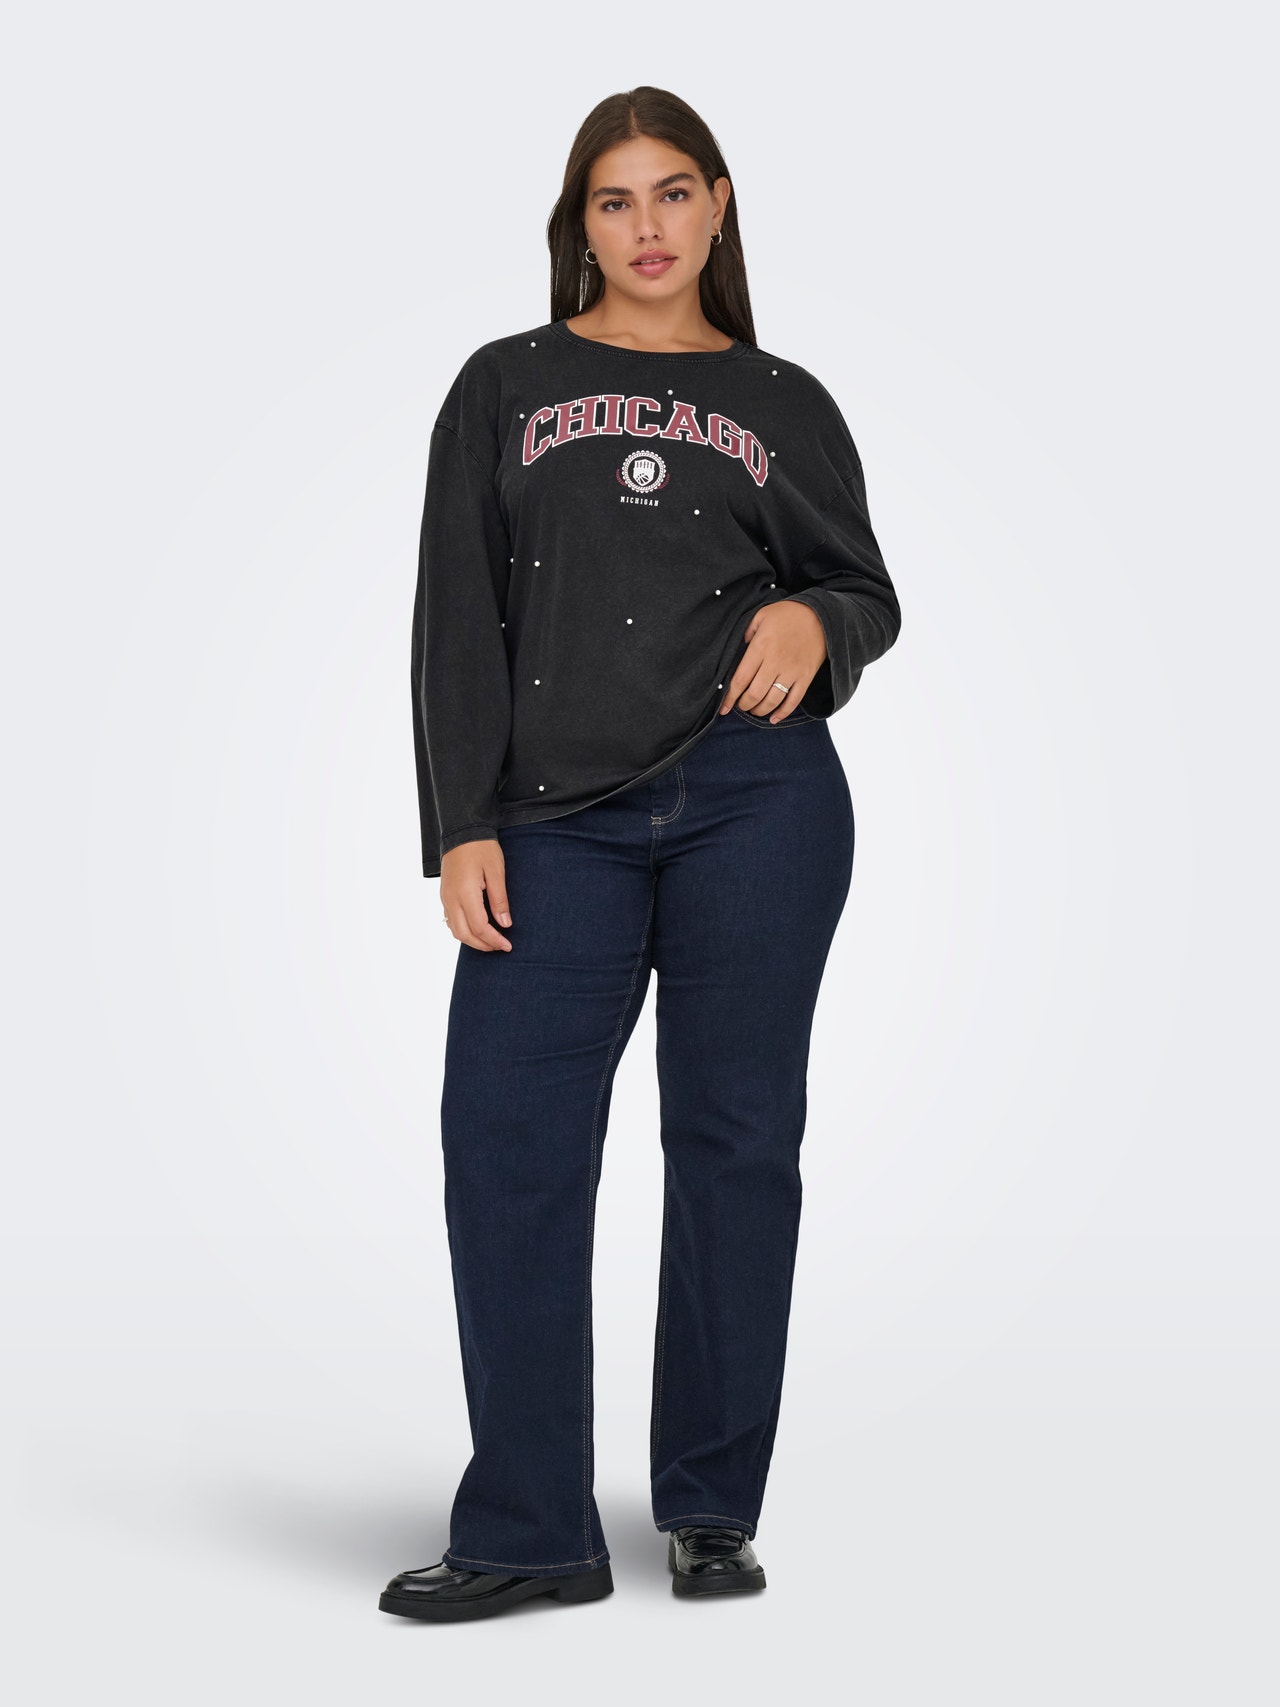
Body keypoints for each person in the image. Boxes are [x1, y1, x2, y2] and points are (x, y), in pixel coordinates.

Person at [380, 84, 902, 1624]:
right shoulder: (505, 384)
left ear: (719, 206)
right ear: (581, 225)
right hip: (555, 824)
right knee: (507, 1145)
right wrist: (460, 821)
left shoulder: (782, 399)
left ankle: (712, 1508)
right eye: (616, 201)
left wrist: (814, 620)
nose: (649, 226)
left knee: (736, 1146)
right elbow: (454, 611)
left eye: (675, 192)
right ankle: (533, 1524)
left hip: (758, 802)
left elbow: (866, 591)